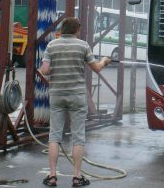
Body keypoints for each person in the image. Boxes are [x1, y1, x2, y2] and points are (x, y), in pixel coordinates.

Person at [38, 17, 111, 187]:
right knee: (78, 136)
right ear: (76, 30)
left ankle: (52, 176)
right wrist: (105, 61)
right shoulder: (83, 45)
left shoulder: (51, 45)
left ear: (62, 29)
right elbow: (97, 68)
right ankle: (77, 177)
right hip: (77, 95)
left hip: (56, 94)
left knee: (54, 135)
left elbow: (45, 70)